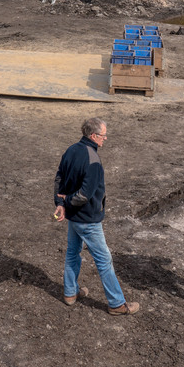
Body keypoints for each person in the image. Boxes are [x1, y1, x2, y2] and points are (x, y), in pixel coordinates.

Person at [53, 117, 140, 315]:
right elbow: (84, 195)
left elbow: (59, 178)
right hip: (87, 219)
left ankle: (70, 293)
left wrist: (60, 204)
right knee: (104, 260)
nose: (105, 138)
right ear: (93, 136)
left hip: (73, 217)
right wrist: (65, 203)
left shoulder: (71, 150)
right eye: (103, 135)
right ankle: (117, 303)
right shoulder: (93, 160)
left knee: (72, 252)